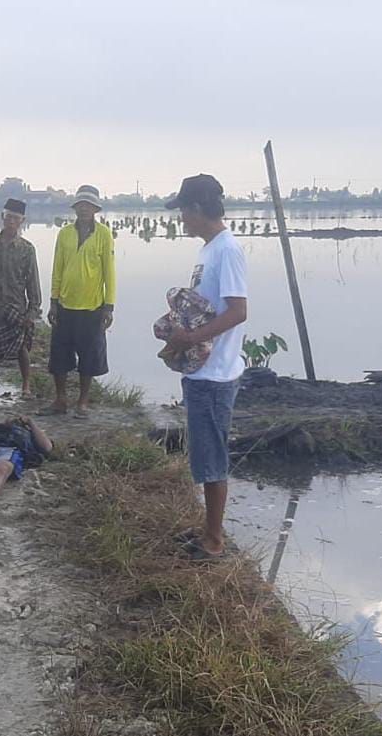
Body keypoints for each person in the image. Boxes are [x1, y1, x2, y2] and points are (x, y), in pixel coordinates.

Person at [162, 174, 248, 561]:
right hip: (202, 371)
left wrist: (191, 339)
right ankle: (208, 529)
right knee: (203, 454)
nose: (180, 217)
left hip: (216, 374)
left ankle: (213, 541)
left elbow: (238, 311)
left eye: (182, 209)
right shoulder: (209, 251)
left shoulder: (227, 250)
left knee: (211, 457)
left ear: (197, 208)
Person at [43, 184, 115, 419]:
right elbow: (57, 268)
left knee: (90, 355)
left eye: (89, 205)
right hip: (65, 305)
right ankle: (61, 399)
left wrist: (109, 305)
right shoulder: (64, 233)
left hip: (92, 306)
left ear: (95, 208)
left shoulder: (104, 234)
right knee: (59, 355)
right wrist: (53, 301)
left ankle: (82, 402)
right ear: (76, 208)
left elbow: (109, 271)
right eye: (80, 205)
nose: (84, 209)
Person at [0, 198, 41, 397]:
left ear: (22, 221)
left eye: (16, 218)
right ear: (2, 217)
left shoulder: (27, 249)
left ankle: (26, 386)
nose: (11, 221)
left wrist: (33, 311)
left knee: (22, 348)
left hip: (16, 306)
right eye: (8, 217)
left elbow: (33, 281)